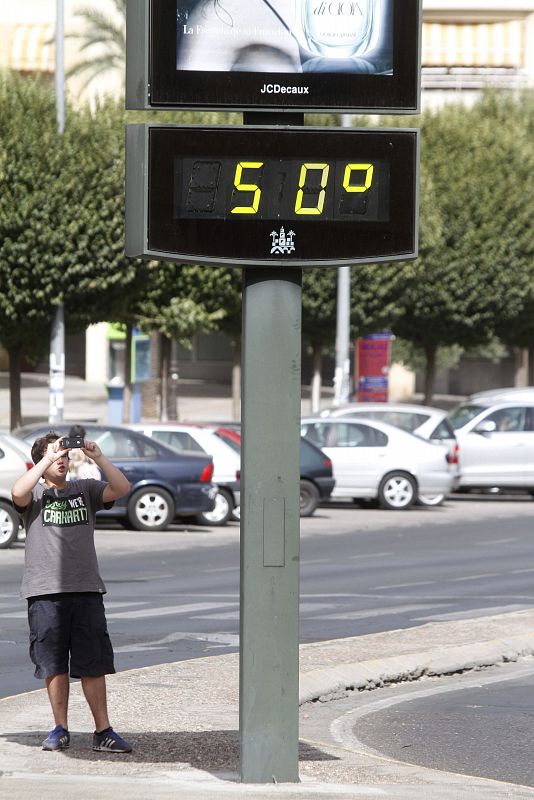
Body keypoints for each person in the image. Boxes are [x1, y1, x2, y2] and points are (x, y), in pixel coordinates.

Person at [11, 431, 133, 753]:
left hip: (86, 589)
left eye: (66, 456)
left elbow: (122, 488)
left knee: (93, 663)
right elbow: (17, 492)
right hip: (45, 592)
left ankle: (103, 731)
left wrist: (99, 457)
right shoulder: (35, 496)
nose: (63, 461)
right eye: (57, 456)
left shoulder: (85, 490)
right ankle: (60, 728)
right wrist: (47, 459)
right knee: (53, 664)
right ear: (43, 459)